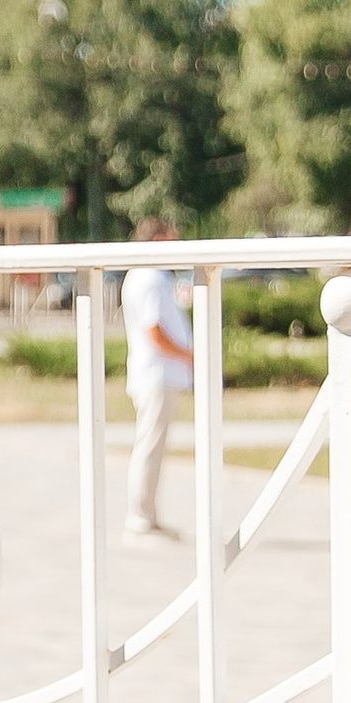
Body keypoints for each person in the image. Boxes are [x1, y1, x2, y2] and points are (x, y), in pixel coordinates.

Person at [121, 221, 193, 544]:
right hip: (156, 373)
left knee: (153, 445)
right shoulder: (148, 277)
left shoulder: (151, 276)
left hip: (159, 373)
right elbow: (155, 331)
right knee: (149, 445)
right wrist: (188, 355)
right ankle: (140, 517)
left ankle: (147, 514)